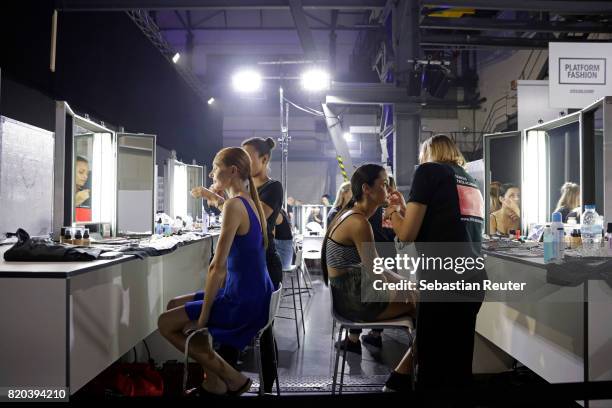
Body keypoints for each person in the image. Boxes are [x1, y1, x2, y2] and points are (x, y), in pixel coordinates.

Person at [158, 147, 273, 396]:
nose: (211, 174)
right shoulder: (248, 202)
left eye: (215, 168)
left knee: (165, 323)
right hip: (254, 297)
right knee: (173, 304)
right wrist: (214, 197)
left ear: (232, 170)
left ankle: (231, 378)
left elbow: (216, 268)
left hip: (240, 303)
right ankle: (214, 381)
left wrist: (203, 317)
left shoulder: (235, 205)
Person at [384, 134, 486, 391]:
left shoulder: (428, 171)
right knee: (459, 361)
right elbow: (440, 219)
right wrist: (405, 211)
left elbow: (407, 234)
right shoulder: (469, 180)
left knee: (433, 365)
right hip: (473, 277)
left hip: (443, 278)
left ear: (427, 152)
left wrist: (393, 212)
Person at [323, 164, 417, 393]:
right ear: (367, 188)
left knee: (422, 298)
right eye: (383, 184)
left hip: (352, 290)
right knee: (432, 310)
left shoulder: (352, 215)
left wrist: (408, 286)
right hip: (354, 299)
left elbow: (377, 269)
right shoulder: (359, 222)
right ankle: (401, 375)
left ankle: (405, 373)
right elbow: (377, 274)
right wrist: (408, 290)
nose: (388, 188)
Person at [241, 136, 284, 393]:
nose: (244, 163)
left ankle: (267, 385)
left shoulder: (273, 187)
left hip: (267, 263)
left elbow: (254, 217)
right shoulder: (245, 187)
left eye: (248, 157)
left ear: (264, 159)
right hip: (249, 264)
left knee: (265, 328)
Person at [74, 156, 92, 222]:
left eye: (87, 173)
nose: (86, 176)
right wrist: (74, 202)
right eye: (81, 172)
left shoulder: (87, 195)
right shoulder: (60, 194)